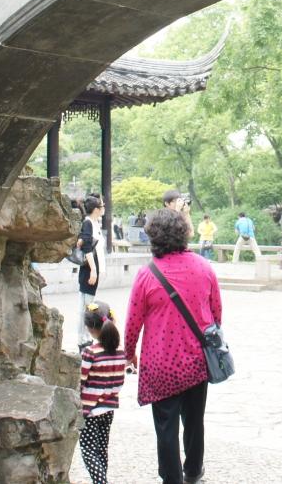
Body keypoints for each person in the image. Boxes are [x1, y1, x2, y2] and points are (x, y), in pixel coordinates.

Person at [125, 209, 223, 484]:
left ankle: (172, 478)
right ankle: (193, 470)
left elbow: (133, 321)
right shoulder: (204, 268)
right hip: (196, 360)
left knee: (166, 427)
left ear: (153, 237)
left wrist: (129, 353)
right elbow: (216, 314)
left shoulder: (147, 274)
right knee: (194, 420)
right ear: (185, 233)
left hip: (161, 364)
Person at [78, 299, 125, 484]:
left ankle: (101, 482)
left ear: (90, 328)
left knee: (89, 451)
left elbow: (80, 381)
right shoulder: (120, 351)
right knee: (101, 449)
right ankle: (101, 480)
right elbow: (120, 380)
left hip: (90, 409)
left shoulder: (90, 352)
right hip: (109, 407)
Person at [77, 195, 104, 336]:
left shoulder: (94, 223)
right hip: (89, 270)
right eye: (101, 206)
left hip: (92, 270)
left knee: (86, 305)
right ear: (96, 209)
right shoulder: (88, 223)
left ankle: (84, 338)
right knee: (87, 307)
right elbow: (87, 247)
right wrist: (93, 270)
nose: (103, 208)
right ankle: (83, 339)